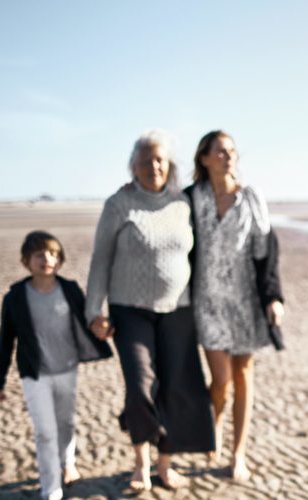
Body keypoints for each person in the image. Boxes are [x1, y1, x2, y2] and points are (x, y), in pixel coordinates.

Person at [85, 129, 215, 491]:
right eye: (146, 160)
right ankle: (140, 462)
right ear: (134, 166)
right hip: (130, 310)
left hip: (179, 310)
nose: (154, 166)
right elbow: (100, 261)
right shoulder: (118, 204)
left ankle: (163, 463)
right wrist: (94, 310)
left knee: (175, 386)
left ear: (169, 165)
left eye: (160, 159)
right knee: (141, 386)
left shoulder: (182, 202)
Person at [185, 130, 285, 481]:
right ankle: (211, 426)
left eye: (231, 151)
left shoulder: (251, 197)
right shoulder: (191, 198)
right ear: (204, 158)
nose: (228, 156)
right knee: (221, 379)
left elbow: (267, 250)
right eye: (220, 151)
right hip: (207, 300)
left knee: (242, 374)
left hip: (245, 300)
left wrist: (273, 297)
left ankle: (237, 453)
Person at [0, 231, 113, 500]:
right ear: (25, 262)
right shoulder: (15, 297)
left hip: (68, 369)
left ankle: (67, 464)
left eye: (54, 254)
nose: (47, 259)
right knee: (45, 432)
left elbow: (88, 320)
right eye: (39, 255)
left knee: (66, 422)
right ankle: (51, 490)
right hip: (35, 374)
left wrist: (105, 327)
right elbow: (5, 340)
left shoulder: (69, 289)